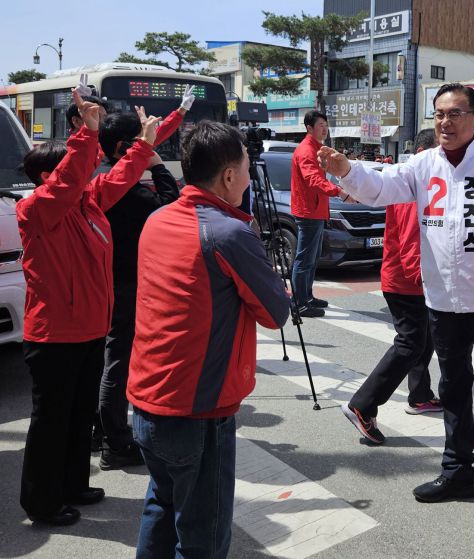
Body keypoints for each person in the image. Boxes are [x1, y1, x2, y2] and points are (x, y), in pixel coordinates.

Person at [318, 83, 474, 535]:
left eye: (455, 113)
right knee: (454, 390)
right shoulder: (423, 164)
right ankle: (457, 471)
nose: (445, 121)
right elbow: (381, 186)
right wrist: (347, 170)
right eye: (440, 113)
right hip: (443, 302)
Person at [127, 121, 290, 558]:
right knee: (203, 536)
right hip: (197, 409)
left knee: (161, 505)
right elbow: (275, 312)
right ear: (229, 175)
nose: (250, 176)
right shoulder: (229, 233)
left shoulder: (158, 219)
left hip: (148, 398)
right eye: (247, 167)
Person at [16, 91, 160, 526]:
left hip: (89, 328)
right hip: (55, 335)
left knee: (79, 415)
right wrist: (87, 133)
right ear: (49, 175)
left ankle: (73, 485)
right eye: (72, 167)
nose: (87, 171)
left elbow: (120, 175)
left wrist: (146, 143)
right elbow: (69, 179)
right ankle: (41, 502)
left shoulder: (86, 202)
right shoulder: (37, 209)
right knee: (51, 421)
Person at [96, 88, 195, 470]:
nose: (145, 144)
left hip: (105, 281)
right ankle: (115, 443)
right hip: (125, 282)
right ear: (124, 148)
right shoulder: (126, 192)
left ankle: (100, 431)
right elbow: (170, 209)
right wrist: (158, 168)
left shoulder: (98, 174)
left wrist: (178, 113)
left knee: (106, 358)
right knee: (118, 361)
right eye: (138, 141)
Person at [342, 128, 443, 445]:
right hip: (406, 282)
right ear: (425, 152)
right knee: (410, 343)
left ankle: (420, 395)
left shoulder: (412, 180)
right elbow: (412, 243)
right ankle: (362, 405)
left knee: (422, 340)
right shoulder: (415, 185)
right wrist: (426, 283)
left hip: (406, 279)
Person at [290, 110, 349, 318]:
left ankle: (306, 297)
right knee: (305, 258)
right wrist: (339, 192)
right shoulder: (307, 150)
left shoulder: (317, 148)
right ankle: (299, 303)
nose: (325, 128)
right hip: (308, 211)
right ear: (309, 128)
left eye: (326, 124)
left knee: (312, 258)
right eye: (320, 125)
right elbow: (313, 179)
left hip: (315, 210)